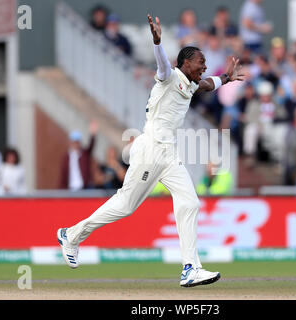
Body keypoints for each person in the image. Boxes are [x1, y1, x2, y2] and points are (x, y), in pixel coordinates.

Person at [57, 14, 245, 287]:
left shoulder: (192, 84)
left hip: (169, 154)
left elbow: (206, 85)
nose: (204, 66)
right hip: (150, 150)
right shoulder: (169, 77)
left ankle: (191, 267)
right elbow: (163, 65)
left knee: (190, 202)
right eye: (200, 62)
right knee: (125, 206)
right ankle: (71, 235)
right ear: (186, 62)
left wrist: (226, 78)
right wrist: (157, 41)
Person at [60, 121, 98, 191]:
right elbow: (64, 175)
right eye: (74, 142)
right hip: (71, 188)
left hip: (84, 188)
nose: (75, 144)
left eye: (77, 142)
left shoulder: (84, 154)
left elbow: (91, 146)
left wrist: (93, 135)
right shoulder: (67, 157)